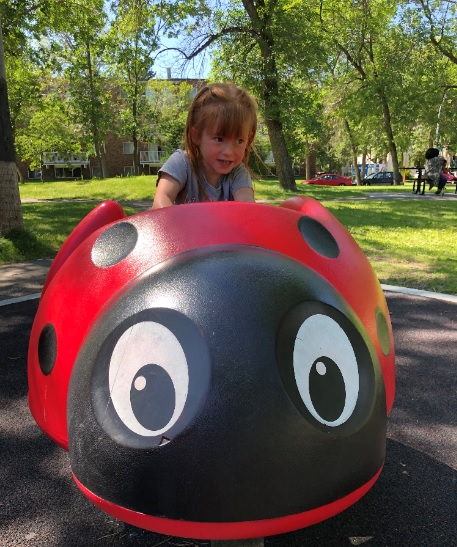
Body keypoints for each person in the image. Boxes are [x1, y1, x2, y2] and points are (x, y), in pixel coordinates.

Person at [153, 83, 257, 209]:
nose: (229, 151)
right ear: (196, 136)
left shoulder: (237, 173)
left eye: (239, 141)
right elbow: (162, 198)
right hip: (181, 229)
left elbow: (247, 207)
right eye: (219, 139)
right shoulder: (182, 163)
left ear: (249, 140)